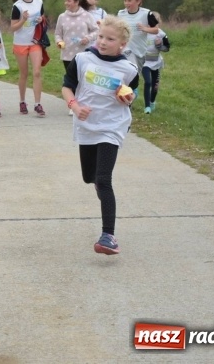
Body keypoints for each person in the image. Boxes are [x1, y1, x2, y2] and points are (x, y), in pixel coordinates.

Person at [61, 15, 139, 255]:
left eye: (110, 39)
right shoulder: (83, 60)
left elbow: (131, 93)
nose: (103, 42)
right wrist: (74, 106)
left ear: (122, 44)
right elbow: (67, 87)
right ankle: (99, 187)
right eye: (101, 37)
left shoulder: (128, 69)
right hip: (86, 126)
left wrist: (127, 97)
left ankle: (108, 236)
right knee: (90, 177)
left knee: (104, 180)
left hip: (112, 127)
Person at [10, 0, 49, 117]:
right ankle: (22, 101)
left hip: (35, 42)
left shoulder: (39, 2)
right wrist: (23, 20)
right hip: (20, 43)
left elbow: (42, 17)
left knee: (37, 72)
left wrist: (41, 19)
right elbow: (13, 28)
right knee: (24, 74)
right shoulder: (17, 6)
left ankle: (38, 104)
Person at [55, 0, 99, 115]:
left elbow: (97, 30)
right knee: (72, 79)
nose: (66, 3)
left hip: (83, 54)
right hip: (67, 54)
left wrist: (88, 38)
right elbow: (58, 33)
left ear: (76, 2)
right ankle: (74, 105)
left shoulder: (87, 16)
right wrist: (59, 41)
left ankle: (84, 102)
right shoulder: (62, 17)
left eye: (69, 1)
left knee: (83, 79)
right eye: (65, 1)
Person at [117, 0, 160, 85]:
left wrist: (145, 29)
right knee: (123, 76)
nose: (126, 3)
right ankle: (123, 96)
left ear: (138, 0)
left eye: (129, 0)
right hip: (124, 50)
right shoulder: (121, 13)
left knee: (133, 78)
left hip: (139, 52)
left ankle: (130, 94)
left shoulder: (146, 13)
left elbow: (156, 30)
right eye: (125, 0)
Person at [142, 11, 170, 114]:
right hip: (144, 62)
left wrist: (159, 45)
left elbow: (167, 48)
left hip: (156, 62)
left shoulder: (161, 34)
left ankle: (152, 101)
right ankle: (147, 107)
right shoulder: (142, 33)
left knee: (155, 84)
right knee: (148, 82)